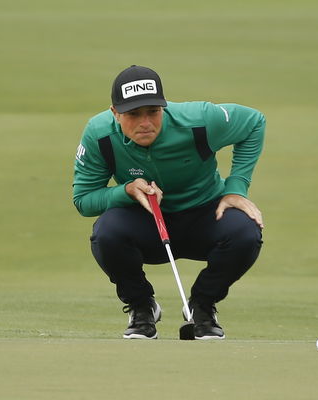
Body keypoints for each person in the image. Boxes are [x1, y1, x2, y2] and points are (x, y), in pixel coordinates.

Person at [72, 65, 265, 340]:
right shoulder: (99, 134)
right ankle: (141, 307)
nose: (145, 122)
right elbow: (83, 200)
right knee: (106, 233)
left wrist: (236, 188)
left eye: (153, 111)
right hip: (145, 224)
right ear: (115, 113)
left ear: (163, 107)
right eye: (133, 114)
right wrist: (125, 190)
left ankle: (202, 307)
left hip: (205, 216)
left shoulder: (199, 119)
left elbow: (254, 122)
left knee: (246, 231)